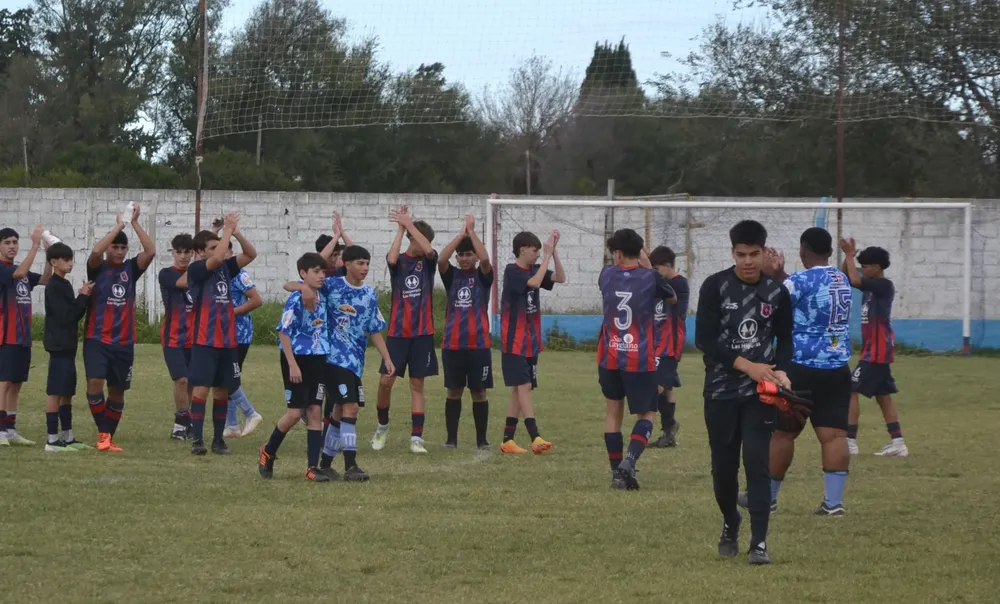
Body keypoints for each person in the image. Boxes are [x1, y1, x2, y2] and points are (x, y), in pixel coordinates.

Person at [696, 219, 793, 565]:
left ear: (764, 252)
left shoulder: (777, 292)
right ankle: (730, 521)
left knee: (757, 463)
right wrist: (747, 365)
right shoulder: (714, 286)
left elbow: (786, 340)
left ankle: (760, 543)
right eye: (742, 254)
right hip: (721, 392)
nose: (748, 261)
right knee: (723, 470)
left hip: (760, 395)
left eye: (754, 254)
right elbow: (704, 340)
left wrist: (781, 370)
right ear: (732, 253)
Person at [743, 227, 852, 517]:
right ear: (830, 252)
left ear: (803, 251)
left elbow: (771, 303)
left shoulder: (801, 279)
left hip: (801, 366)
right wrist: (780, 275)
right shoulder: (841, 278)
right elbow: (804, 291)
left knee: (781, 433)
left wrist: (768, 274)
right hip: (838, 367)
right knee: (834, 436)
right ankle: (833, 504)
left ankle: (768, 499)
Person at [286, 245, 394, 481]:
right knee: (351, 407)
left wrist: (386, 357)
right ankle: (351, 465)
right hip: (333, 359)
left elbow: (374, 329)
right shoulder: (332, 285)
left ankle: (325, 464)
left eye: (367, 263)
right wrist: (304, 287)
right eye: (360, 263)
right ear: (346, 264)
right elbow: (289, 285)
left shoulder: (369, 294)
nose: (365, 268)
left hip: (355, 362)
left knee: (337, 411)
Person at [599, 229, 676, 489]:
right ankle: (629, 463)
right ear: (640, 251)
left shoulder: (606, 275)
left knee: (613, 413)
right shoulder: (650, 277)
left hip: (609, 356)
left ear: (618, 253)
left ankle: (615, 473)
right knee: (648, 412)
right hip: (639, 358)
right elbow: (672, 297)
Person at [178, 213, 257, 455]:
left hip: (228, 341)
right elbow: (213, 261)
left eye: (218, 246)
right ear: (201, 252)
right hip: (205, 340)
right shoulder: (198, 268)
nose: (219, 250)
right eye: (213, 247)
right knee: (202, 389)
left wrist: (236, 232)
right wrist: (227, 231)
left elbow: (251, 254)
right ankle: (198, 440)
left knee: (222, 391)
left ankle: (218, 440)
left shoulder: (225, 268)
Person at [84, 206, 155, 452]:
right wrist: (119, 226)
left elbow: (151, 250)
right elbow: (95, 252)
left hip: (124, 342)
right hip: (97, 339)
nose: (120, 251)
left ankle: (106, 437)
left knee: (117, 392)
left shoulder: (131, 269)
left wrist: (134, 223)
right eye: (116, 246)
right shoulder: (97, 267)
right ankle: (104, 435)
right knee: (94, 384)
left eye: (123, 247)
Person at [258, 253, 332, 482]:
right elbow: (283, 331)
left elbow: (326, 261)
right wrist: (292, 365)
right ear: (303, 274)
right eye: (316, 272)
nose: (321, 276)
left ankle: (312, 468)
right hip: (297, 360)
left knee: (315, 411)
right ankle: (268, 450)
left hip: (319, 359)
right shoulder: (296, 299)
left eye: (323, 272)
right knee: (292, 414)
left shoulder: (324, 293)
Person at [372, 205, 438, 454]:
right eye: (419, 239)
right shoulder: (400, 261)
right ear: (411, 239)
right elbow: (390, 258)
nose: (424, 244)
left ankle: (416, 438)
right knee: (386, 381)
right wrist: (402, 228)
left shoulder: (428, 262)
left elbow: (430, 249)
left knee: (417, 384)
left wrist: (410, 225)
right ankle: (382, 426)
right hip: (398, 334)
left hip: (422, 334)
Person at [498, 229, 565, 454]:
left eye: (539, 251)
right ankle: (534, 436)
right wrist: (546, 258)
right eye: (535, 251)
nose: (537, 255)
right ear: (522, 249)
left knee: (521, 389)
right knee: (523, 386)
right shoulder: (512, 271)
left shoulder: (538, 268)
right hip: (513, 340)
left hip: (531, 341)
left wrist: (553, 253)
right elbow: (534, 283)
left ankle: (508, 439)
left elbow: (560, 278)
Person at [840, 238, 908, 457]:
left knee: (851, 390)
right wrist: (847, 257)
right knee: (883, 396)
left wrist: (850, 256)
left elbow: (855, 280)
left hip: (877, 351)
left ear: (877, 268)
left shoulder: (883, 285)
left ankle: (850, 441)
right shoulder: (869, 286)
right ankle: (898, 443)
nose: (862, 270)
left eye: (866, 266)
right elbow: (847, 278)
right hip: (875, 350)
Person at [437, 215, 493, 449]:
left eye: (468, 254)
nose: (464, 258)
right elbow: (441, 259)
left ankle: (482, 440)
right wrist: (461, 235)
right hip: (453, 345)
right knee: (453, 392)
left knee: (479, 392)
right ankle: (452, 439)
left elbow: (486, 258)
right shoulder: (452, 276)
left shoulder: (483, 276)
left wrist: (472, 234)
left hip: (478, 345)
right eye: (461, 255)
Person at [0, 225, 51, 446]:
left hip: (23, 337)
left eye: (14, 242)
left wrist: (51, 253)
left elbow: (47, 279)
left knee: (17, 383)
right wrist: (36, 245)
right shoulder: (4, 269)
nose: (12, 246)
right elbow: (18, 273)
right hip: (6, 336)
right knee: (4, 383)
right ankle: (0, 431)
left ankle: (10, 429)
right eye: (7, 243)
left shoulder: (22, 272)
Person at [42, 242, 94, 451]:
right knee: (55, 392)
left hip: (68, 347)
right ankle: (52, 439)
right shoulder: (54, 286)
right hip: (59, 347)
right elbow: (67, 316)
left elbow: (73, 314)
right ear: (54, 262)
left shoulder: (63, 284)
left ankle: (68, 436)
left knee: (67, 391)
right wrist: (83, 296)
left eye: (71, 259)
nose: (70, 263)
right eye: (65, 259)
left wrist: (82, 296)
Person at [648, 245, 690, 448]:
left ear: (667, 266)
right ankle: (669, 432)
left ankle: (668, 426)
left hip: (671, 342)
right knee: (667, 386)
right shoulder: (660, 282)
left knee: (656, 386)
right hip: (657, 341)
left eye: (656, 269)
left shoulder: (679, 284)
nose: (654, 273)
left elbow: (672, 302)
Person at [223, 238, 264, 439]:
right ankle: (231, 425)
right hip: (222, 334)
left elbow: (256, 300)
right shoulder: (215, 273)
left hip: (238, 334)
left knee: (228, 376)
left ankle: (250, 413)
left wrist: (231, 312)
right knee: (227, 378)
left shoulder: (239, 273)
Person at [159, 233, 195, 440]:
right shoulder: (167, 274)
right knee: (180, 380)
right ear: (173, 252)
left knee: (191, 382)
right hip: (173, 337)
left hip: (195, 337)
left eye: (187, 252)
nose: (182, 256)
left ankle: (186, 424)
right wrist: (201, 265)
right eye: (178, 252)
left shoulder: (196, 271)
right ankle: (180, 424)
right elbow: (184, 282)